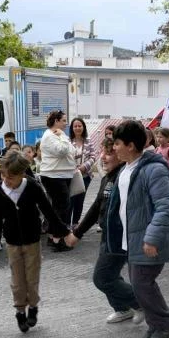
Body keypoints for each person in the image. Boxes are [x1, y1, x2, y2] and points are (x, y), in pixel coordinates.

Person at [104, 120, 169, 338]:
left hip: (147, 239)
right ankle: (156, 324)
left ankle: (167, 322)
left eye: (117, 143)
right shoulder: (127, 169)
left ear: (130, 145)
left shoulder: (153, 169)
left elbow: (167, 206)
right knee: (140, 285)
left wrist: (152, 237)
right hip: (133, 238)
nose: (114, 148)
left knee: (142, 284)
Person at [0, 152, 71, 333]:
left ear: (22, 174)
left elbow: (48, 210)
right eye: (3, 175)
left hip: (32, 240)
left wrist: (64, 231)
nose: (6, 180)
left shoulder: (32, 186)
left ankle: (33, 307)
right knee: (17, 281)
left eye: (11, 177)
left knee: (32, 278)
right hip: (12, 241)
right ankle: (19, 311)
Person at [66, 138, 144, 324]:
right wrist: (77, 233)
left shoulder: (124, 177)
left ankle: (142, 303)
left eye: (108, 153)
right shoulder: (108, 177)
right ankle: (122, 308)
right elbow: (95, 208)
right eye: (103, 152)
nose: (103, 157)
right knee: (110, 274)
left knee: (102, 278)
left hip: (118, 237)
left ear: (120, 155)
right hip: (107, 235)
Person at [39, 110, 76, 250]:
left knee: (58, 207)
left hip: (62, 175)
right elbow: (62, 151)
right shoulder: (50, 136)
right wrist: (63, 137)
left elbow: (72, 151)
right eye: (64, 120)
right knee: (62, 207)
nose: (66, 123)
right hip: (53, 176)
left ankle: (52, 236)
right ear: (56, 121)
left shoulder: (59, 135)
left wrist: (63, 137)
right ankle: (57, 240)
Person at [68, 117, 96, 228]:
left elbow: (93, 156)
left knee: (80, 200)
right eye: (75, 126)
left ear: (83, 127)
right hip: (71, 176)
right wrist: (75, 168)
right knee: (70, 200)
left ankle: (75, 223)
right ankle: (67, 224)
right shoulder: (68, 141)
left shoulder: (88, 141)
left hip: (85, 176)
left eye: (80, 125)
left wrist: (84, 166)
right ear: (72, 128)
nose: (78, 128)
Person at [154, 127, 169, 195]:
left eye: (161, 137)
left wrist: (164, 173)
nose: (158, 139)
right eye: (157, 137)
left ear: (168, 138)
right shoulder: (157, 149)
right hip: (158, 177)